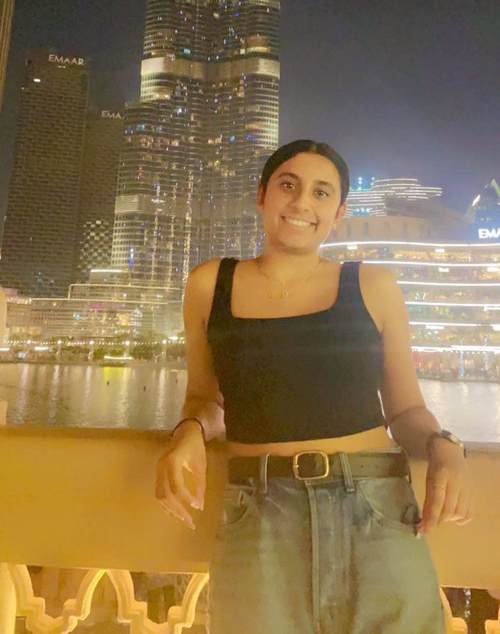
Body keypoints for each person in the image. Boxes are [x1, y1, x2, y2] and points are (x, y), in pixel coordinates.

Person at [155, 139, 472, 633]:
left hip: (375, 507)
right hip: (258, 511)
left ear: (339, 211)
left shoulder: (372, 285)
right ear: (262, 195)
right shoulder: (209, 284)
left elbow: (406, 410)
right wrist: (190, 430)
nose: (303, 202)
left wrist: (443, 448)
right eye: (289, 185)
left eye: (322, 193)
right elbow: (206, 398)